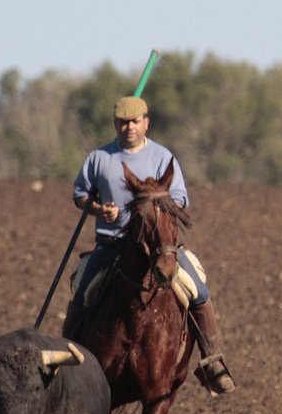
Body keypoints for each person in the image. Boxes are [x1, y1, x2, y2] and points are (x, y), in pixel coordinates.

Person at [62, 95, 236, 394]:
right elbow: (80, 195)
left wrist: (155, 206)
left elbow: (180, 198)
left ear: (146, 123)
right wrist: (98, 209)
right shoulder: (100, 158)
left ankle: (212, 360)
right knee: (83, 294)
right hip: (112, 244)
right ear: (116, 124)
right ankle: (67, 363)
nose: (128, 127)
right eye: (122, 122)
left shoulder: (163, 158)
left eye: (134, 121)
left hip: (158, 248)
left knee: (198, 290)